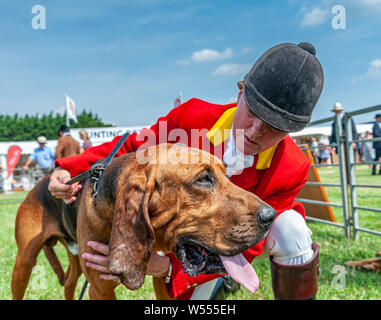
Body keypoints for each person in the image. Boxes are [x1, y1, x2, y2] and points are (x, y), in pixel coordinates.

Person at [48, 42, 324, 300]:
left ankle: (221, 272)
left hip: (237, 235)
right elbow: (135, 147)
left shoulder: (293, 167)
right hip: (192, 236)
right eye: (252, 112)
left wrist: (166, 265)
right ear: (240, 93)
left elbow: (251, 243)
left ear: (291, 130)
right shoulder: (191, 116)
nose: (255, 132)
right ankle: (218, 274)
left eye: (274, 126)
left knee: (292, 230)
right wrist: (67, 169)